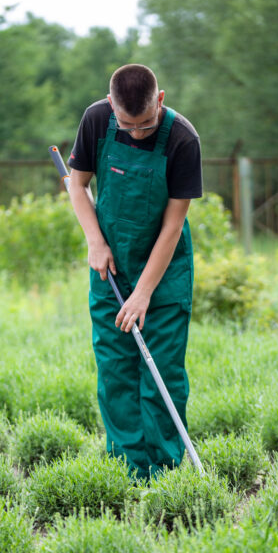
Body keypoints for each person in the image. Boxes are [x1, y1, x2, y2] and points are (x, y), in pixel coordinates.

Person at [67, 64, 202, 480]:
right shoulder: (95, 120)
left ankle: (163, 471)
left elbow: (173, 224)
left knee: (160, 370)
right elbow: (77, 184)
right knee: (115, 370)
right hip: (110, 265)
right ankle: (125, 470)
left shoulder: (182, 139)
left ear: (160, 101)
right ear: (111, 107)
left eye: (145, 124)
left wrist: (144, 292)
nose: (137, 133)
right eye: (128, 125)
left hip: (163, 272)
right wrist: (95, 240)